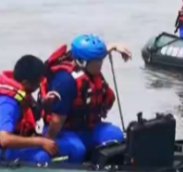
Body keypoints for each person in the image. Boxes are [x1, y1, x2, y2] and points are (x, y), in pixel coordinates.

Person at [41, 34, 132, 163]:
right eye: (98, 61)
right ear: (82, 62)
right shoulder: (66, 82)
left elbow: (99, 53)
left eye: (101, 59)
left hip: (87, 127)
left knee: (116, 135)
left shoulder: (88, 66)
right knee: (77, 149)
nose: (101, 64)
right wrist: (46, 142)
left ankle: (103, 163)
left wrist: (115, 46)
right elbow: (56, 121)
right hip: (63, 130)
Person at [0, 55, 58, 164]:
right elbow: (5, 139)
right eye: (38, 82)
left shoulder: (21, 91)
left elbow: (29, 114)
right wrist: (41, 141)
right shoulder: (6, 103)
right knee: (41, 157)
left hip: (10, 146)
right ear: (26, 82)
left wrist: (44, 104)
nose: (39, 85)